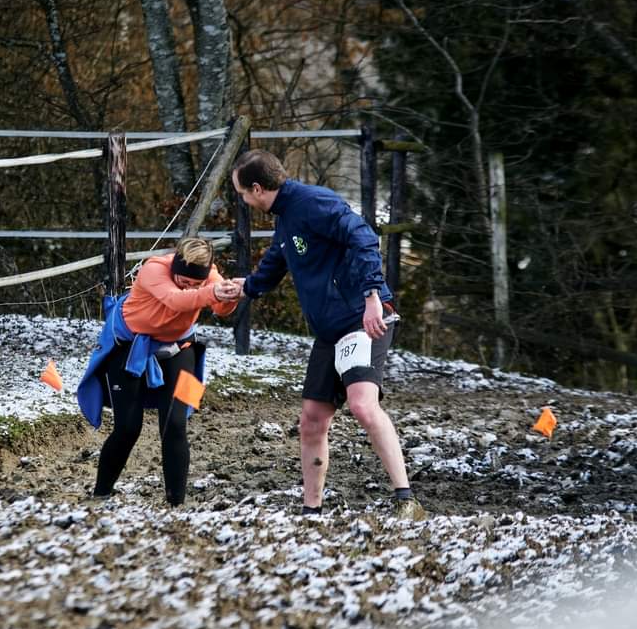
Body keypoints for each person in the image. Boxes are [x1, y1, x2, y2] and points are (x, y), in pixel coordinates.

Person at [230, 149, 425, 520]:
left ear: (257, 189)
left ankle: (407, 500)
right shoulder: (285, 218)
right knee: (312, 419)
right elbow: (276, 262)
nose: (243, 201)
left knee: (362, 405)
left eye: (242, 193)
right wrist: (245, 288)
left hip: (362, 318)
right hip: (331, 331)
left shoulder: (313, 203)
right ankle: (311, 510)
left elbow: (364, 237)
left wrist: (371, 296)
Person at [76, 237, 240, 506]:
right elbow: (175, 301)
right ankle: (101, 492)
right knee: (128, 428)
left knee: (176, 424)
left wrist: (230, 296)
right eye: (184, 281)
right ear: (175, 267)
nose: (190, 287)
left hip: (181, 347)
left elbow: (221, 308)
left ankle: (176, 503)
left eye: (196, 284)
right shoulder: (153, 269)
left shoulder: (210, 275)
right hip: (128, 347)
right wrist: (211, 292)